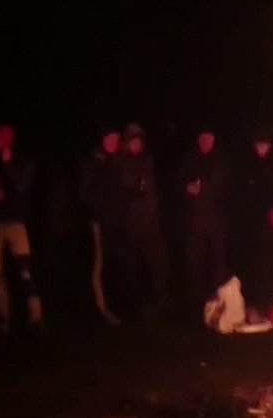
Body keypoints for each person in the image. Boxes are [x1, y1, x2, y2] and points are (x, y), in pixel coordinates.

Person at [0, 124, 43, 334]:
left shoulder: (24, 162)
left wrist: (7, 164)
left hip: (16, 223)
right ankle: (3, 318)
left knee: (25, 271)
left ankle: (36, 316)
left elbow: (21, 186)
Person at [117, 123, 171, 317]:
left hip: (150, 222)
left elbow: (152, 189)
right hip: (131, 223)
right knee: (132, 266)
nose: (136, 144)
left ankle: (161, 301)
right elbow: (125, 191)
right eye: (133, 141)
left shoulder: (148, 161)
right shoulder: (121, 163)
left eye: (139, 141)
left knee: (158, 263)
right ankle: (135, 304)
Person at [233, 125, 273, 310]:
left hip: (272, 222)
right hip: (253, 223)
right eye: (260, 144)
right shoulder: (247, 166)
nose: (263, 148)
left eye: (266, 144)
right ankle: (256, 300)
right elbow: (243, 195)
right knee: (255, 262)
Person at [77, 124, 124, 324]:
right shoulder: (93, 163)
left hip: (114, 221)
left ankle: (116, 303)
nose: (113, 143)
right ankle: (100, 306)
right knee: (99, 264)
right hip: (99, 222)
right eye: (109, 139)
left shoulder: (115, 162)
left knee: (112, 263)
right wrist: (102, 202)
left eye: (116, 139)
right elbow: (84, 193)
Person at [179, 125, 229, 310]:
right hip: (195, 220)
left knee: (218, 263)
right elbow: (177, 185)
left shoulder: (221, 161)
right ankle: (198, 305)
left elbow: (228, 188)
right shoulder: (189, 161)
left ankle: (221, 303)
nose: (206, 142)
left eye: (209, 138)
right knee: (196, 264)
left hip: (216, 220)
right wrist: (186, 188)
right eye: (202, 138)